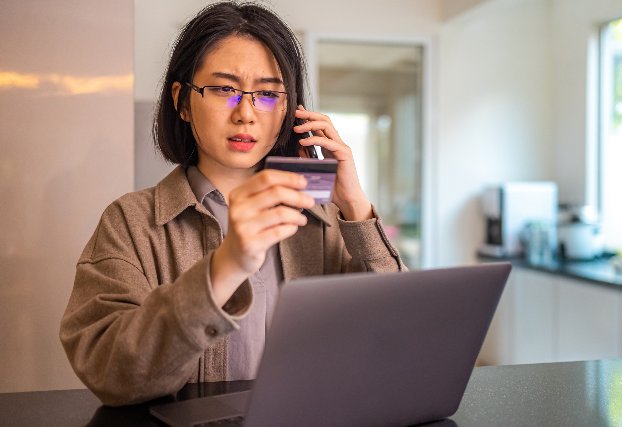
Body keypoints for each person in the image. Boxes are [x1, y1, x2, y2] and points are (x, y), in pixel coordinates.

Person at [59, 1, 405, 406]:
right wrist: (225, 267)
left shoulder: (324, 219)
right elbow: (111, 372)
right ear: (183, 102)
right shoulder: (130, 223)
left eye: (268, 93)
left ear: (290, 109)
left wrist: (355, 205)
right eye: (224, 89)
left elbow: (396, 339)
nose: (246, 113)